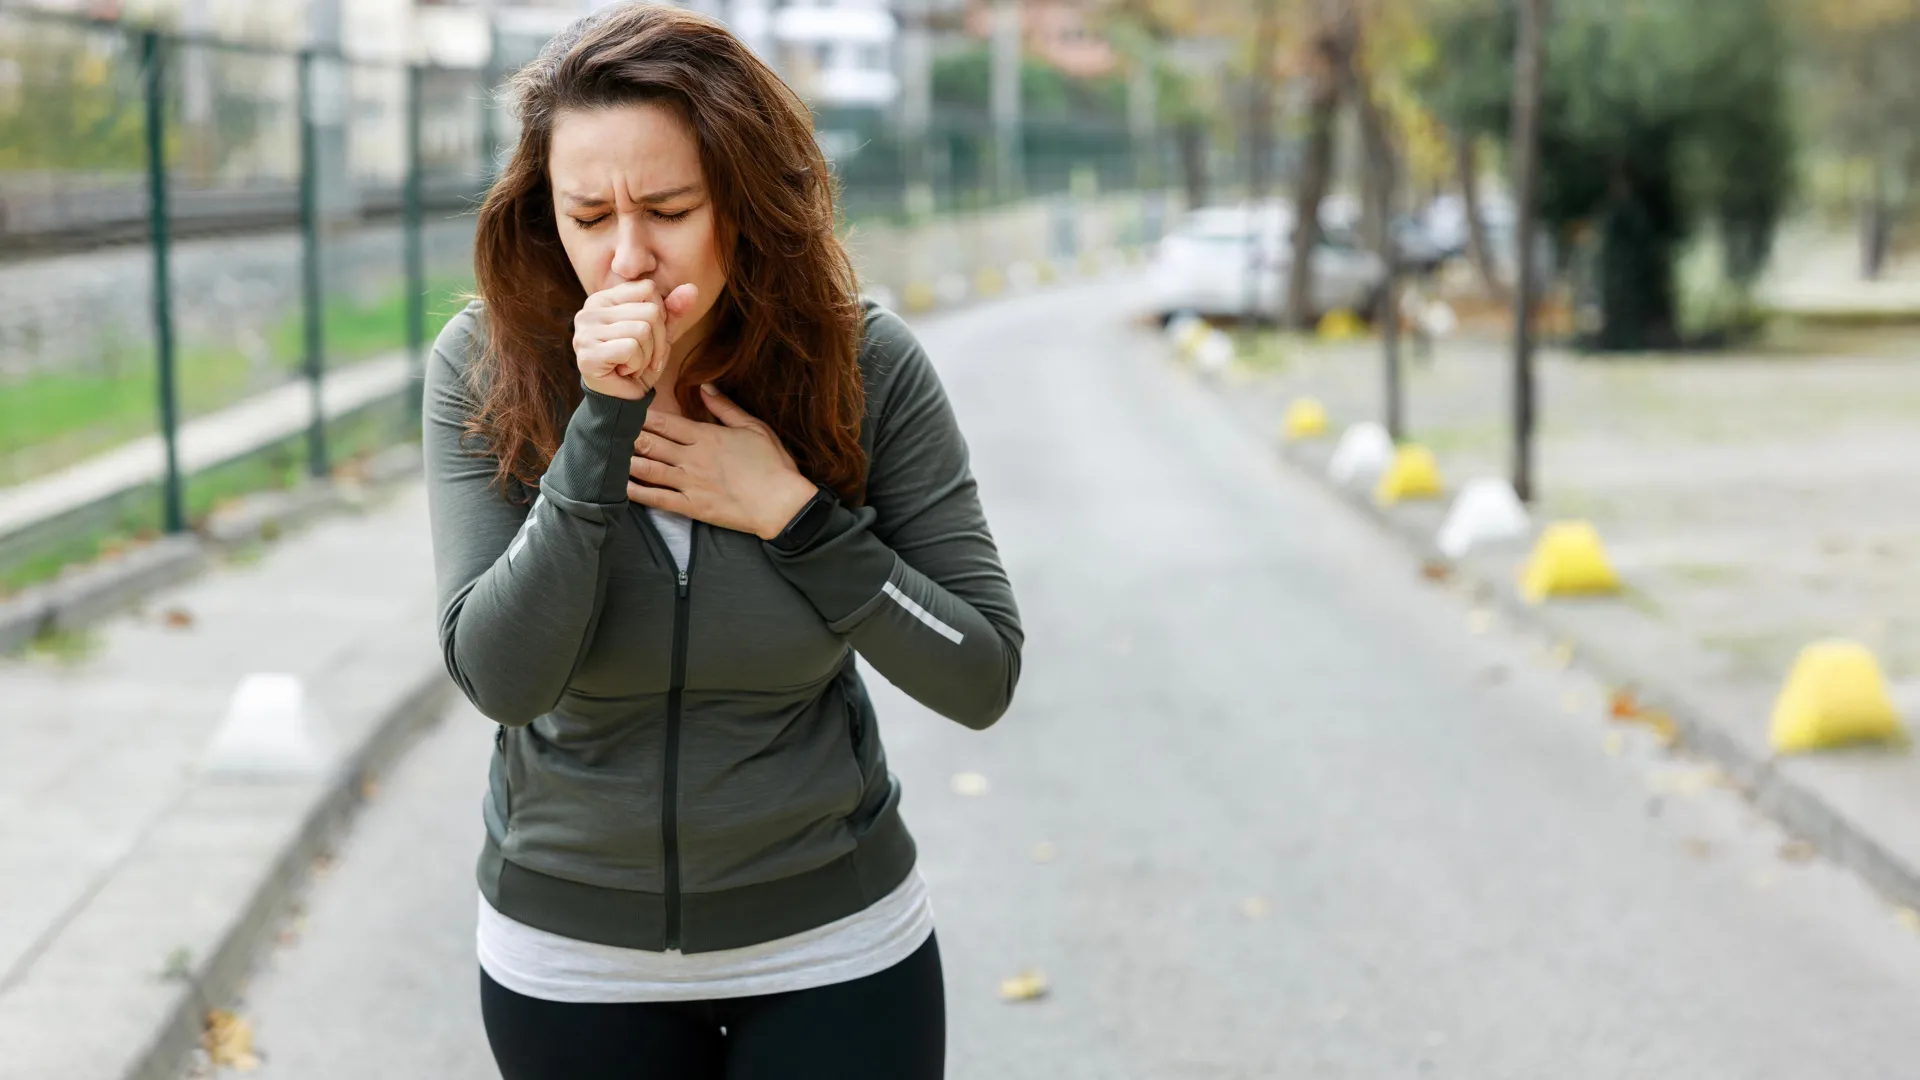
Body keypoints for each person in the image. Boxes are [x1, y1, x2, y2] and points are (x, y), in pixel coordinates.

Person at [421, 5, 1023, 1077]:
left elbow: (980, 674)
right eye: (587, 214)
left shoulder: (866, 366)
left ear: (744, 203)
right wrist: (602, 421)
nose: (626, 255)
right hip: (571, 961)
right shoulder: (487, 365)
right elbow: (503, 676)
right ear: (540, 214)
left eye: (668, 208)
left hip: (838, 948)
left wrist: (795, 517)